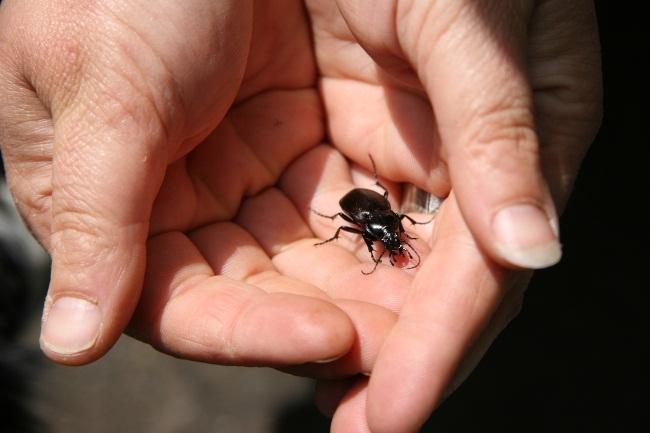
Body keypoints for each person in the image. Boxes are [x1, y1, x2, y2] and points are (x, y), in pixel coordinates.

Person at [0, 1, 601, 432]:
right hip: (345, 202)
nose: (391, 241)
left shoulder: (384, 223)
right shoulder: (373, 224)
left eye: (391, 240)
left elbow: (389, 223)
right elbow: (377, 223)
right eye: (390, 241)